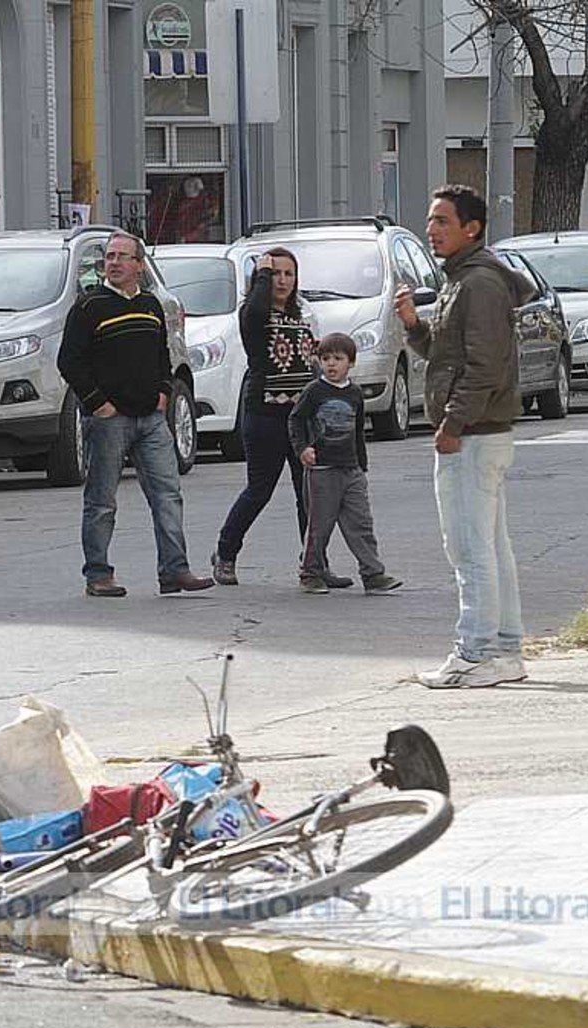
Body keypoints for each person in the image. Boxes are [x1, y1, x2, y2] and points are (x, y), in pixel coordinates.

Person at [393, 184, 532, 688]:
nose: (431, 230)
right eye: (431, 220)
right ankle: (505, 650)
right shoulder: (464, 278)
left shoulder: (479, 283)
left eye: (442, 221)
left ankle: (476, 653)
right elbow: (449, 354)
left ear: (471, 229)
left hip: (474, 436)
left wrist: (452, 424)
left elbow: (484, 366)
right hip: (477, 432)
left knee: (470, 549)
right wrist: (414, 326)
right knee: (489, 546)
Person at [57, 231, 214, 598]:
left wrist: (163, 393)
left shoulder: (150, 305)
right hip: (109, 421)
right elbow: (70, 361)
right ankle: (99, 574)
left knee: (168, 495)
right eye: (109, 256)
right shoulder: (88, 307)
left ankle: (174, 570)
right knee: (102, 502)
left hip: (151, 419)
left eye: (121, 256)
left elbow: (163, 355)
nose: (113, 263)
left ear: (139, 265)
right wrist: (99, 404)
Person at [212, 248, 349, 587]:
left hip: (301, 419)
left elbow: (313, 363)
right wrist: (261, 272)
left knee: (310, 494)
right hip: (264, 415)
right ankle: (225, 553)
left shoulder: (301, 315)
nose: (282, 281)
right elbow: (257, 309)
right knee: (260, 490)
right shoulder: (253, 315)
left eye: (289, 274)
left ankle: (314, 563)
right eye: (275, 274)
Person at [287, 333, 402, 594]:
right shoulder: (314, 391)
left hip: (350, 469)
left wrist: (361, 464)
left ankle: (373, 574)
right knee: (320, 525)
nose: (331, 364)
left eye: (338, 359)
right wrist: (302, 448)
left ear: (351, 362)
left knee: (361, 523)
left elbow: (359, 430)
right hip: (322, 470)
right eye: (326, 358)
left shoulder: (354, 393)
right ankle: (310, 573)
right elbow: (295, 419)